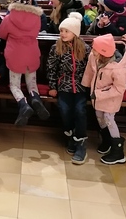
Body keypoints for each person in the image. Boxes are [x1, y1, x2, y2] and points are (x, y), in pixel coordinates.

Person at [0, 0, 50, 125]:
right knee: (32, 83)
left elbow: (2, 34)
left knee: (15, 85)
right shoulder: (37, 17)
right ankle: (36, 99)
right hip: (32, 52)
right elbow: (37, 32)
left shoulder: (9, 17)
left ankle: (24, 105)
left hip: (15, 54)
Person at [47, 13, 90, 164]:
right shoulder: (56, 47)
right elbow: (51, 68)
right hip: (64, 85)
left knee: (80, 110)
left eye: (66, 31)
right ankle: (70, 135)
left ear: (75, 33)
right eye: (61, 31)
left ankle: (81, 142)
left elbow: (90, 68)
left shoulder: (85, 48)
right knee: (64, 109)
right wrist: (53, 86)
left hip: (80, 86)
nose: (63, 34)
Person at [82, 34, 126, 165]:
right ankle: (107, 140)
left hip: (111, 98)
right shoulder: (94, 56)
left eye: (95, 49)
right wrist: (86, 87)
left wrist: (98, 94)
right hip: (96, 96)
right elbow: (89, 71)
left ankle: (118, 152)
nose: (92, 50)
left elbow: (119, 89)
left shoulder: (119, 68)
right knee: (99, 117)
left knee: (108, 119)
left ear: (103, 52)